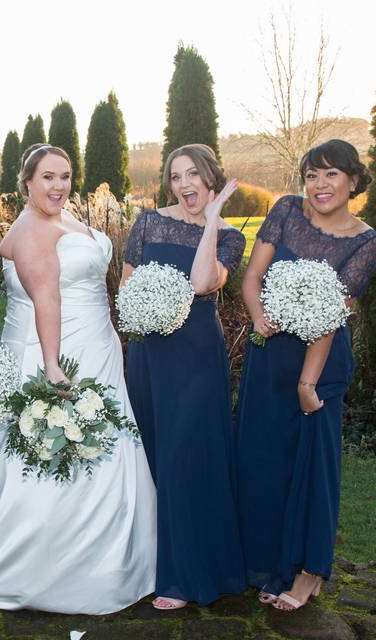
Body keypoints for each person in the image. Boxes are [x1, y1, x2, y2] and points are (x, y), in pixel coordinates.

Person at [0, 143, 157, 613]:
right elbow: (46, 301)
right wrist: (54, 366)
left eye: (64, 176)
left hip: (97, 345)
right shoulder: (34, 230)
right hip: (60, 348)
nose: (58, 186)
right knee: (56, 446)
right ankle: (49, 566)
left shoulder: (62, 218)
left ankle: (113, 553)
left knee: (106, 444)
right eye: (48, 178)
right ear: (27, 182)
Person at [236, 139, 376, 611]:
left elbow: (331, 315)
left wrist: (307, 384)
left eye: (331, 174)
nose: (320, 185)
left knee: (312, 468)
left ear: (353, 180)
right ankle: (264, 562)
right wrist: (258, 317)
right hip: (269, 356)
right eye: (312, 175)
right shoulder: (285, 212)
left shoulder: (364, 241)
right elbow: (253, 277)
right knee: (263, 462)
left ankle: (307, 572)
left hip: (318, 370)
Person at [122, 144, 247, 610]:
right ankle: (147, 564)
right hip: (148, 354)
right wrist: (142, 308)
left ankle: (184, 575)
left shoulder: (231, 236)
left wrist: (211, 220)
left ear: (211, 176)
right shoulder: (149, 221)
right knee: (151, 454)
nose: (184, 184)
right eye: (176, 176)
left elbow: (201, 283)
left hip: (195, 356)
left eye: (193, 174)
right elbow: (127, 284)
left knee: (186, 457)